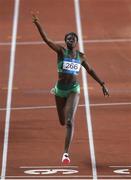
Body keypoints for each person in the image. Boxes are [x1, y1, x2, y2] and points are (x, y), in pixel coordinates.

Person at [32, 14, 109, 165]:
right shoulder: (61, 52)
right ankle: (57, 96)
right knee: (62, 121)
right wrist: (38, 24)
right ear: (65, 42)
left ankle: (65, 154)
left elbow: (91, 70)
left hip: (74, 89)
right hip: (60, 90)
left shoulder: (81, 57)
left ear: (77, 41)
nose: (70, 40)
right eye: (68, 38)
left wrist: (102, 84)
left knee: (69, 121)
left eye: (72, 38)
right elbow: (47, 40)